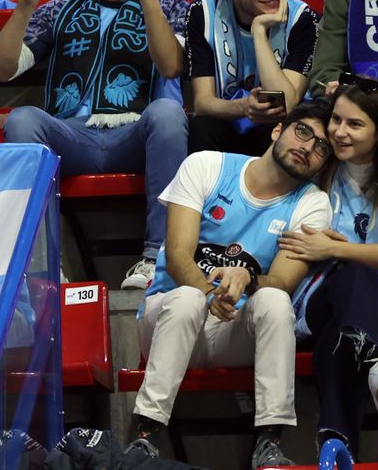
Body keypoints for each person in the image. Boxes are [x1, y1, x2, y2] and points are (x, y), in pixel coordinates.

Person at [0, 0, 191, 290]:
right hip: (71, 136)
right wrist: (25, 6)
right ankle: (44, 267)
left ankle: (157, 259)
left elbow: (170, 66)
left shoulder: (171, 7)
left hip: (135, 134)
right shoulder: (60, 10)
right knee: (22, 118)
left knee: (167, 112)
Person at [124, 101, 333, 467]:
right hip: (167, 317)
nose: (308, 147)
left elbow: (282, 280)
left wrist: (248, 278)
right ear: (277, 129)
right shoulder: (207, 164)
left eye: (321, 147)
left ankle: (269, 441)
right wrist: (210, 292)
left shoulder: (313, 203)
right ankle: (145, 435)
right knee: (188, 298)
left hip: (233, 331)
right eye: (303, 131)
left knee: (274, 301)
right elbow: (177, 255)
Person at [282, 85, 378, 458]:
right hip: (314, 300)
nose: (339, 132)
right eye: (336, 119)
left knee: (340, 337)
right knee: (352, 274)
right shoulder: (315, 168)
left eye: (355, 124)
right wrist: (342, 255)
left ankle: (335, 444)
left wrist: (337, 248)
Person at [185, 0, 319, 157]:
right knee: (202, 126)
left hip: (277, 127)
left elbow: (286, 103)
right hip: (227, 121)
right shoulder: (203, 13)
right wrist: (244, 108)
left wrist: (259, 31)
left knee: (284, 130)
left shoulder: (302, 18)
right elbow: (202, 103)